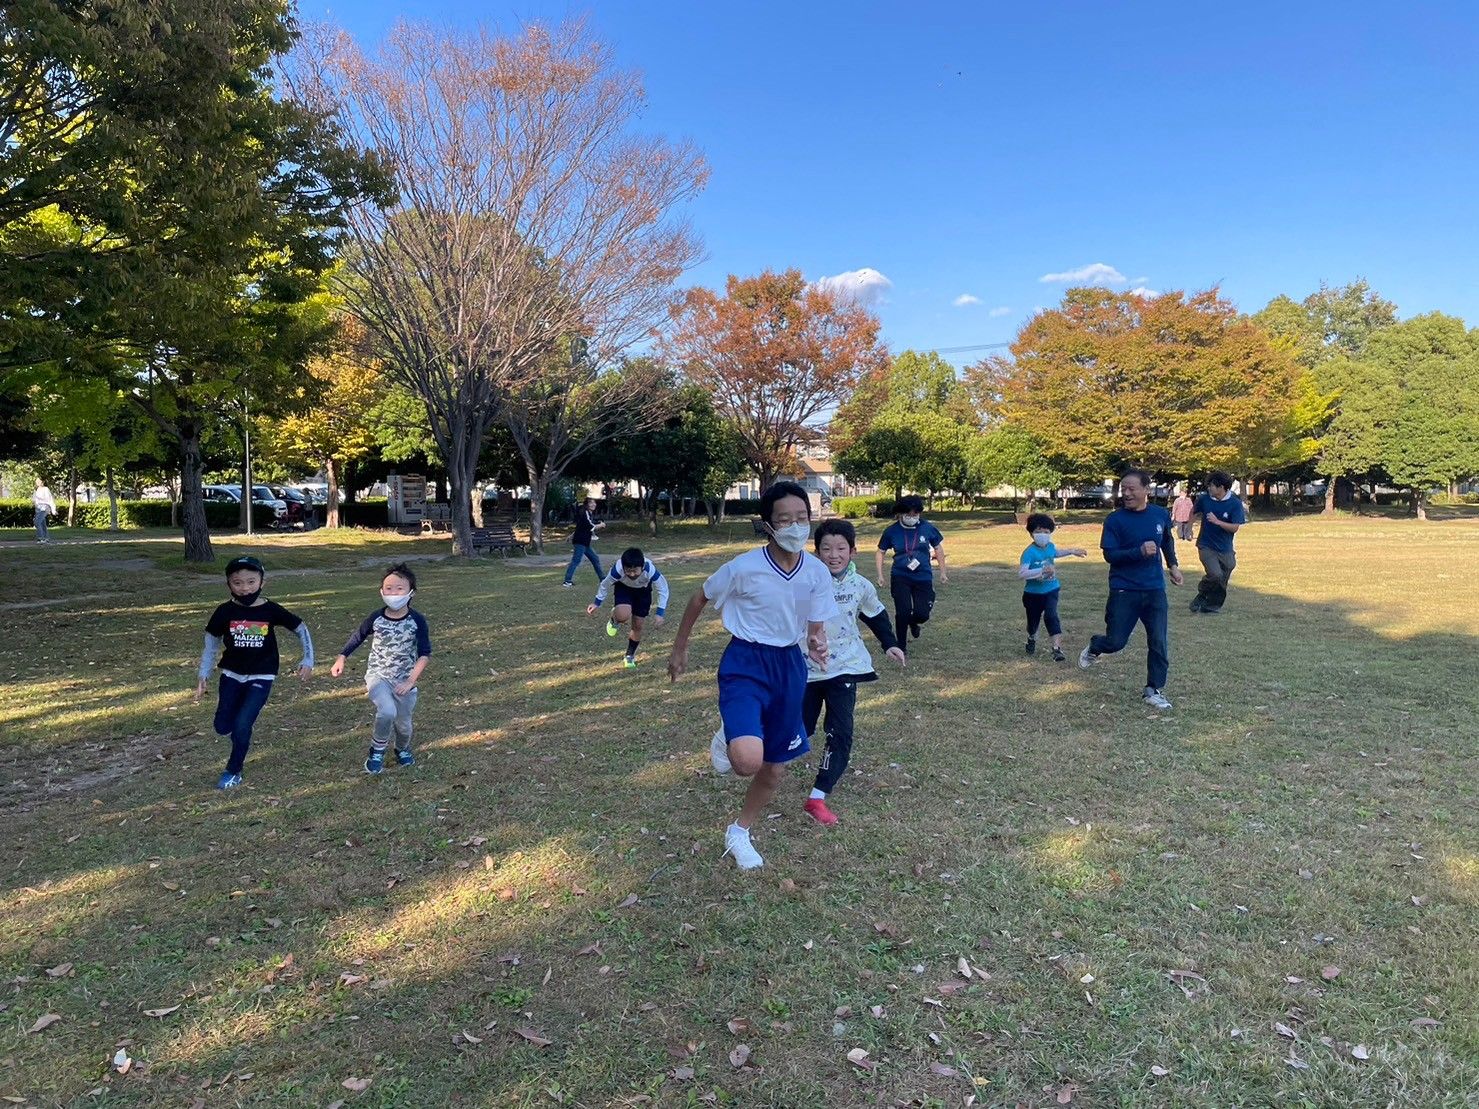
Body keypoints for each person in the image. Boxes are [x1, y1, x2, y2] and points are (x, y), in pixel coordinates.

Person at [667, 480, 837, 870]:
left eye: (802, 518)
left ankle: (739, 832)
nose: (795, 526)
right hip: (745, 662)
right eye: (785, 519)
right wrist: (680, 648)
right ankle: (730, 733)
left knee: (774, 770)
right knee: (746, 761)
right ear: (769, 525)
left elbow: (815, 627)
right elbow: (699, 597)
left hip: (790, 667)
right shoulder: (744, 567)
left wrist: (817, 643)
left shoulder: (815, 572)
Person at [802, 519, 906, 826]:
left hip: (845, 666)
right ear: (816, 551)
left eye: (841, 548)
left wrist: (890, 644)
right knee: (800, 731)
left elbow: (875, 614)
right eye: (826, 549)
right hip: (807, 668)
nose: (833, 555)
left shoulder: (860, 585)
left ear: (853, 552)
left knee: (841, 732)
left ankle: (817, 796)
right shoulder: (804, 583)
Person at [195, 555, 313, 789]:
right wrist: (203, 673)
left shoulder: (270, 610)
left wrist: (308, 659)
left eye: (251, 581)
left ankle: (233, 770)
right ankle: (237, 732)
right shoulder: (223, 612)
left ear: (262, 582)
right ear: (228, 585)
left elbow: (301, 628)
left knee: (242, 725)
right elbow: (211, 642)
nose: (245, 588)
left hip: (262, 675)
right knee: (222, 726)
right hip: (231, 675)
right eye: (237, 582)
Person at [1078, 471, 1184, 710]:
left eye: (1131, 489)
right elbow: (1110, 555)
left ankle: (1153, 689)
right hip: (1124, 589)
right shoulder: (1115, 520)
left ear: (1146, 489)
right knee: (1116, 641)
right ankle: (1096, 645)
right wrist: (1138, 551)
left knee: (1158, 641)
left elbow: (1166, 541)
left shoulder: (1160, 514)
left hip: (1155, 588)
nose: (1126, 493)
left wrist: (1173, 566)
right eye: (1123, 489)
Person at [331, 563, 432, 774]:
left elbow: (424, 654)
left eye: (399, 588)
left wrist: (410, 681)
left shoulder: (417, 620)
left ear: (411, 592)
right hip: (379, 677)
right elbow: (357, 637)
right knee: (386, 711)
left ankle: (402, 749)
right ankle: (376, 751)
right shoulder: (376, 618)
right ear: (381, 591)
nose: (393, 593)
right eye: (388, 588)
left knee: (404, 725)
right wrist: (341, 658)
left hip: (405, 680)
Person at [875, 494, 949, 652]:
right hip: (900, 576)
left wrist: (943, 572)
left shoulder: (927, 527)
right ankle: (901, 646)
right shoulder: (891, 531)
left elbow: (938, 548)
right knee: (902, 611)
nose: (912, 517)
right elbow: (881, 551)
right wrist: (880, 575)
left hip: (923, 576)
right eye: (908, 514)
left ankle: (914, 622)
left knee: (922, 614)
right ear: (901, 514)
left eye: (915, 514)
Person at [1017, 513, 1088, 662]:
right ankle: (1031, 637)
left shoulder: (1050, 546)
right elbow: (1022, 573)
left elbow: (1055, 553)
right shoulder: (1029, 553)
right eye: (1038, 532)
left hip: (1051, 589)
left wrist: (1072, 551)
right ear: (1031, 533)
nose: (1042, 535)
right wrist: (1041, 571)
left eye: (1046, 532)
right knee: (1033, 623)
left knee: (1051, 616)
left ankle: (1056, 650)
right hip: (1033, 594)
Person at [588, 547, 669, 668]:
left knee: (638, 625)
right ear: (623, 566)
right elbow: (605, 584)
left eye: (635, 571)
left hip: (643, 592)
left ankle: (629, 656)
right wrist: (596, 602)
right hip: (624, 589)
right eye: (628, 570)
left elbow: (663, 588)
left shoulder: (650, 569)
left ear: (642, 567)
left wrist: (660, 612)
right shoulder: (617, 570)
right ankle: (615, 618)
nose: (631, 574)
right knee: (623, 615)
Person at [1190, 471, 1246, 615]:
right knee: (1215, 574)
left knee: (1227, 570)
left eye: (1212, 486)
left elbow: (1235, 527)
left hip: (1225, 547)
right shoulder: (1204, 499)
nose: (1209, 488)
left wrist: (1217, 522)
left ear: (1221, 487)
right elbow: (1194, 511)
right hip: (1206, 544)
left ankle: (1212, 605)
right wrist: (1188, 527)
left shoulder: (1234, 503)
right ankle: (1202, 594)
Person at [562, 497, 604, 589]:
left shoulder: (588, 513)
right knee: (576, 561)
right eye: (591, 503)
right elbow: (590, 526)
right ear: (587, 505)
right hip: (580, 542)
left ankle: (603, 579)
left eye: (594, 503)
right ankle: (567, 581)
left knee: (595, 559)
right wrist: (600, 525)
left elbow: (580, 527)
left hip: (585, 542)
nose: (593, 504)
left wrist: (571, 535)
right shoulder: (585, 513)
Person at [31, 478, 55, 543]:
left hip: (44, 508)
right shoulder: (36, 489)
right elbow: (34, 499)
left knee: (37, 522)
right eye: (37, 481)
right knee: (42, 524)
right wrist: (33, 502)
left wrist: (53, 510)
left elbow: (50, 500)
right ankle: (46, 538)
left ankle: (41, 538)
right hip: (38, 508)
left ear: (43, 482)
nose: (37, 482)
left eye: (39, 481)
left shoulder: (46, 489)